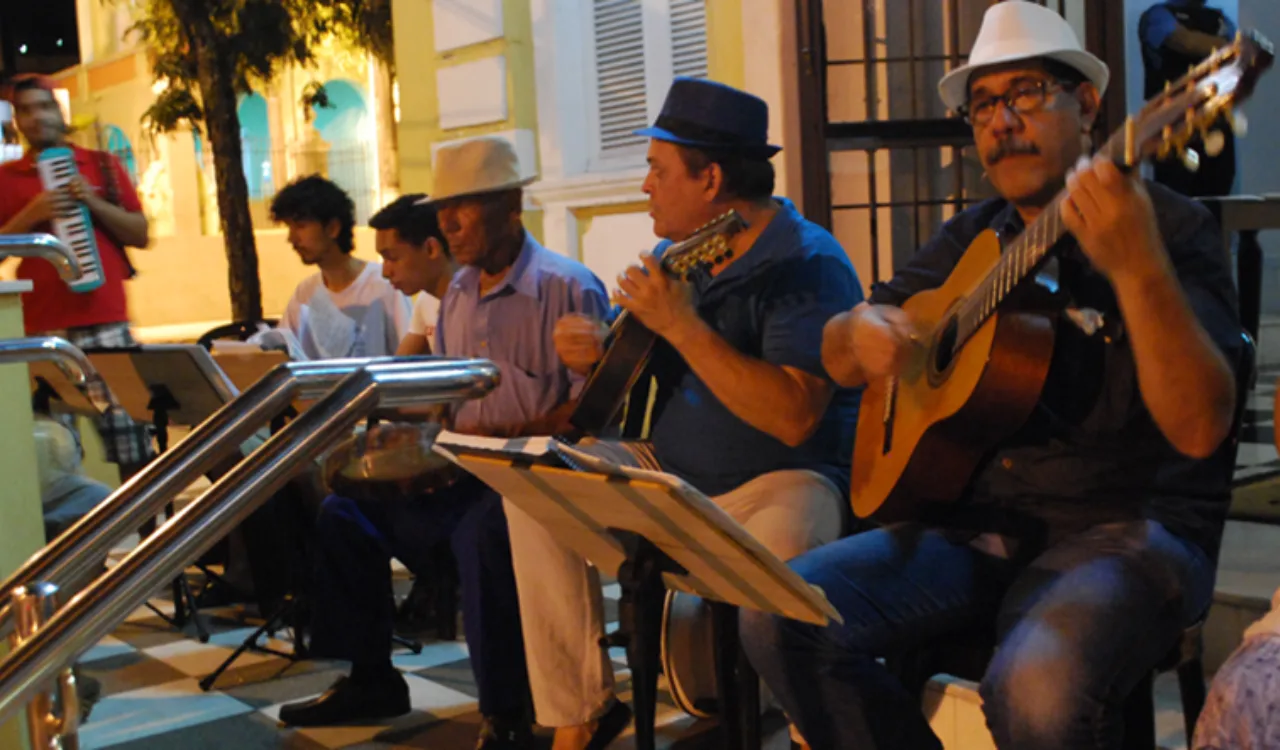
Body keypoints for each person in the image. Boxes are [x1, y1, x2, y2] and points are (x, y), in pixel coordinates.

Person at [740, 3, 1246, 749]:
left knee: (1035, 689)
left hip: (1130, 529)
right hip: (979, 526)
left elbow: (1201, 425)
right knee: (779, 613)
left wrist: (1137, 266)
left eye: (1027, 94)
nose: (1001, 120)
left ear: (1090, 105)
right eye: (983, 105)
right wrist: (861, 332)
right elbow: (837, 347)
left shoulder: (1170, 227)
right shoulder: (972, 239)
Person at [503, 77, 864, 750]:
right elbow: (626, 367)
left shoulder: (807, 263)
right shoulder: (679, 257)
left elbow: (793, 420)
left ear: (711, 179)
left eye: (656, 169)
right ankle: (579, 711)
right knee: (532, 481)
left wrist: (685, 327)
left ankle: (814, 728)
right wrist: (592, 350)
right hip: (668, 475)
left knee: (796, 542)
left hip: (780, 483)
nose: (645, 186)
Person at [278, 137, 610, 750]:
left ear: (510, 206)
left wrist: (496, 435)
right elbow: (451, 404)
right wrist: (414, 440)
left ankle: (505, 711)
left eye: (465, 207)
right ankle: (370, 677)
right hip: (465, 471)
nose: (449, 224)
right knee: (345, 512)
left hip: (530, 481)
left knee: (481, 533)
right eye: (443, 210)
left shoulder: (568, 287)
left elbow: (595, 413)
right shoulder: (454, 295)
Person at [0, 73, 154, 479]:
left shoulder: (103, 166)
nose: (36, 118)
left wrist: (92, 201)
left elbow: (140, 234)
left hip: (106, 323)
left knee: (132, 443)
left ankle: (153, 537)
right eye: (25, 110)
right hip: (42, 331)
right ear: (16, 120)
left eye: (44, 107)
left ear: (59, 112)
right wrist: (32, 214)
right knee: (57, 454)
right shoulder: (5, 179)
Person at [269, 175, 412, 359]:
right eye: (289, 228)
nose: (292, 239)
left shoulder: (385, 285)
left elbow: (408, 357)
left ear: (332, 228)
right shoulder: (304, 294)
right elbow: (283, 353)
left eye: (301, 226)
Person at [1139, 0, 1238, 203]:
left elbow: (1238, 49)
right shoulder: (1158, 15)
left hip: (1214, 122)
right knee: (1175, 200)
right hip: (1174, 124)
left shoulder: (1220, 18)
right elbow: (1185, 42)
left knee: (1218, 200)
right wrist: (1221, 46)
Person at [367, 193, 459, 356]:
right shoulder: (427, 301)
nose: (385, 272)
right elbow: (398, 369)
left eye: (392, 258)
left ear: (431, 249)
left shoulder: (478, 300)